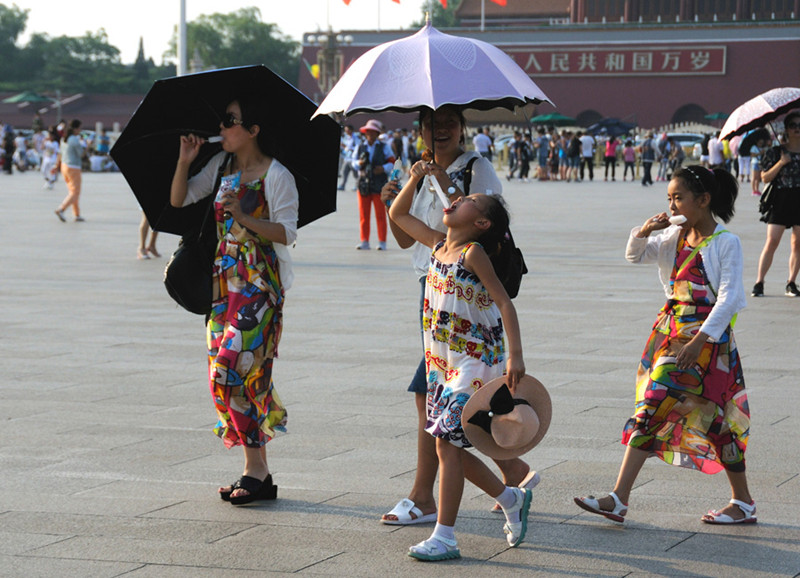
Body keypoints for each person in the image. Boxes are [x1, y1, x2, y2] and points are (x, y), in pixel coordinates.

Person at [379, 105, 538, 529]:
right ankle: (511, 474)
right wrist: (406, 184)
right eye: (432, 123)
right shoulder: (410, 168)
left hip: (469, 311)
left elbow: (489, 228)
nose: (441, 129)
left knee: (441, 418)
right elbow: (400, 232)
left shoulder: (477, 170)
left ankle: (429, 504)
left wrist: (445, 186)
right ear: (420, 129)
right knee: (443, 411)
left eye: (450, 121)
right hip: (433, 293)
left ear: (463, 128)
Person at [575, 165, 755, 526]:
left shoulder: (725, 242)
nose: (672, 205)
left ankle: (618, 498)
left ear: (703, 201)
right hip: (670, 333)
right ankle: (744, 502)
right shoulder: (673, 237)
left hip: (705, 340)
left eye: (679, 198)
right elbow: (635, 255)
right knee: (712, 420)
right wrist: (645, 231)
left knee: (656, 403)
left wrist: (700, 342)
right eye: (669, 198)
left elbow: (730, 297)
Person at [169, 95, 298, 505]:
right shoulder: (220, 168)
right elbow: (179, 199)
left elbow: (286, 232)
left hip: (259, 288)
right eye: (223, 121)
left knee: (231, 370)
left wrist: (243, 216)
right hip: (223, 288)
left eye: (230, 121)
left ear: (253, 129)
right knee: (225, 377)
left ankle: (257, 470)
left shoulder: (277, 175)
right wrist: (186, 160)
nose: (222, 128)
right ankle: (255, 471)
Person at [751, 112, 800, 298]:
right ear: (787, 129)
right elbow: (765, 177)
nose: (797, 128)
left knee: (797, 244)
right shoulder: (776, 152)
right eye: (794, 125)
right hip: (781, 199)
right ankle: (759, 282)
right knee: (772, 241)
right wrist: (781, 162)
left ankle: (791, 282)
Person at [353, 119, 394, 250]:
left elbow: (392, 161)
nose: (370, 135)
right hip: (364, 184)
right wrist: (358, 164)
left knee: (380, 214)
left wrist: (383, 168)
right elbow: (353, 161)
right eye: (368, 132)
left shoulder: (384, 146)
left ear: (377, 134)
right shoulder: (360, 147)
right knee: (363, 215)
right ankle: (364, 240)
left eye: (373, 132)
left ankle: (382, 241)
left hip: (379, 184)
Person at [55, 119, 86, 222]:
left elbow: (60, 153)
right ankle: (61, 209)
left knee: (72, 192)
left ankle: (76, 214)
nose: (80, 130)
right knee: (75, 192)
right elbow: (81, 154)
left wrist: (56, 165)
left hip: (64, 166)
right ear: (76, 129)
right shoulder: (74, 139)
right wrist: (88, 145)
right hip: (73, 167)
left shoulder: (64, 138)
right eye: (80, 128)